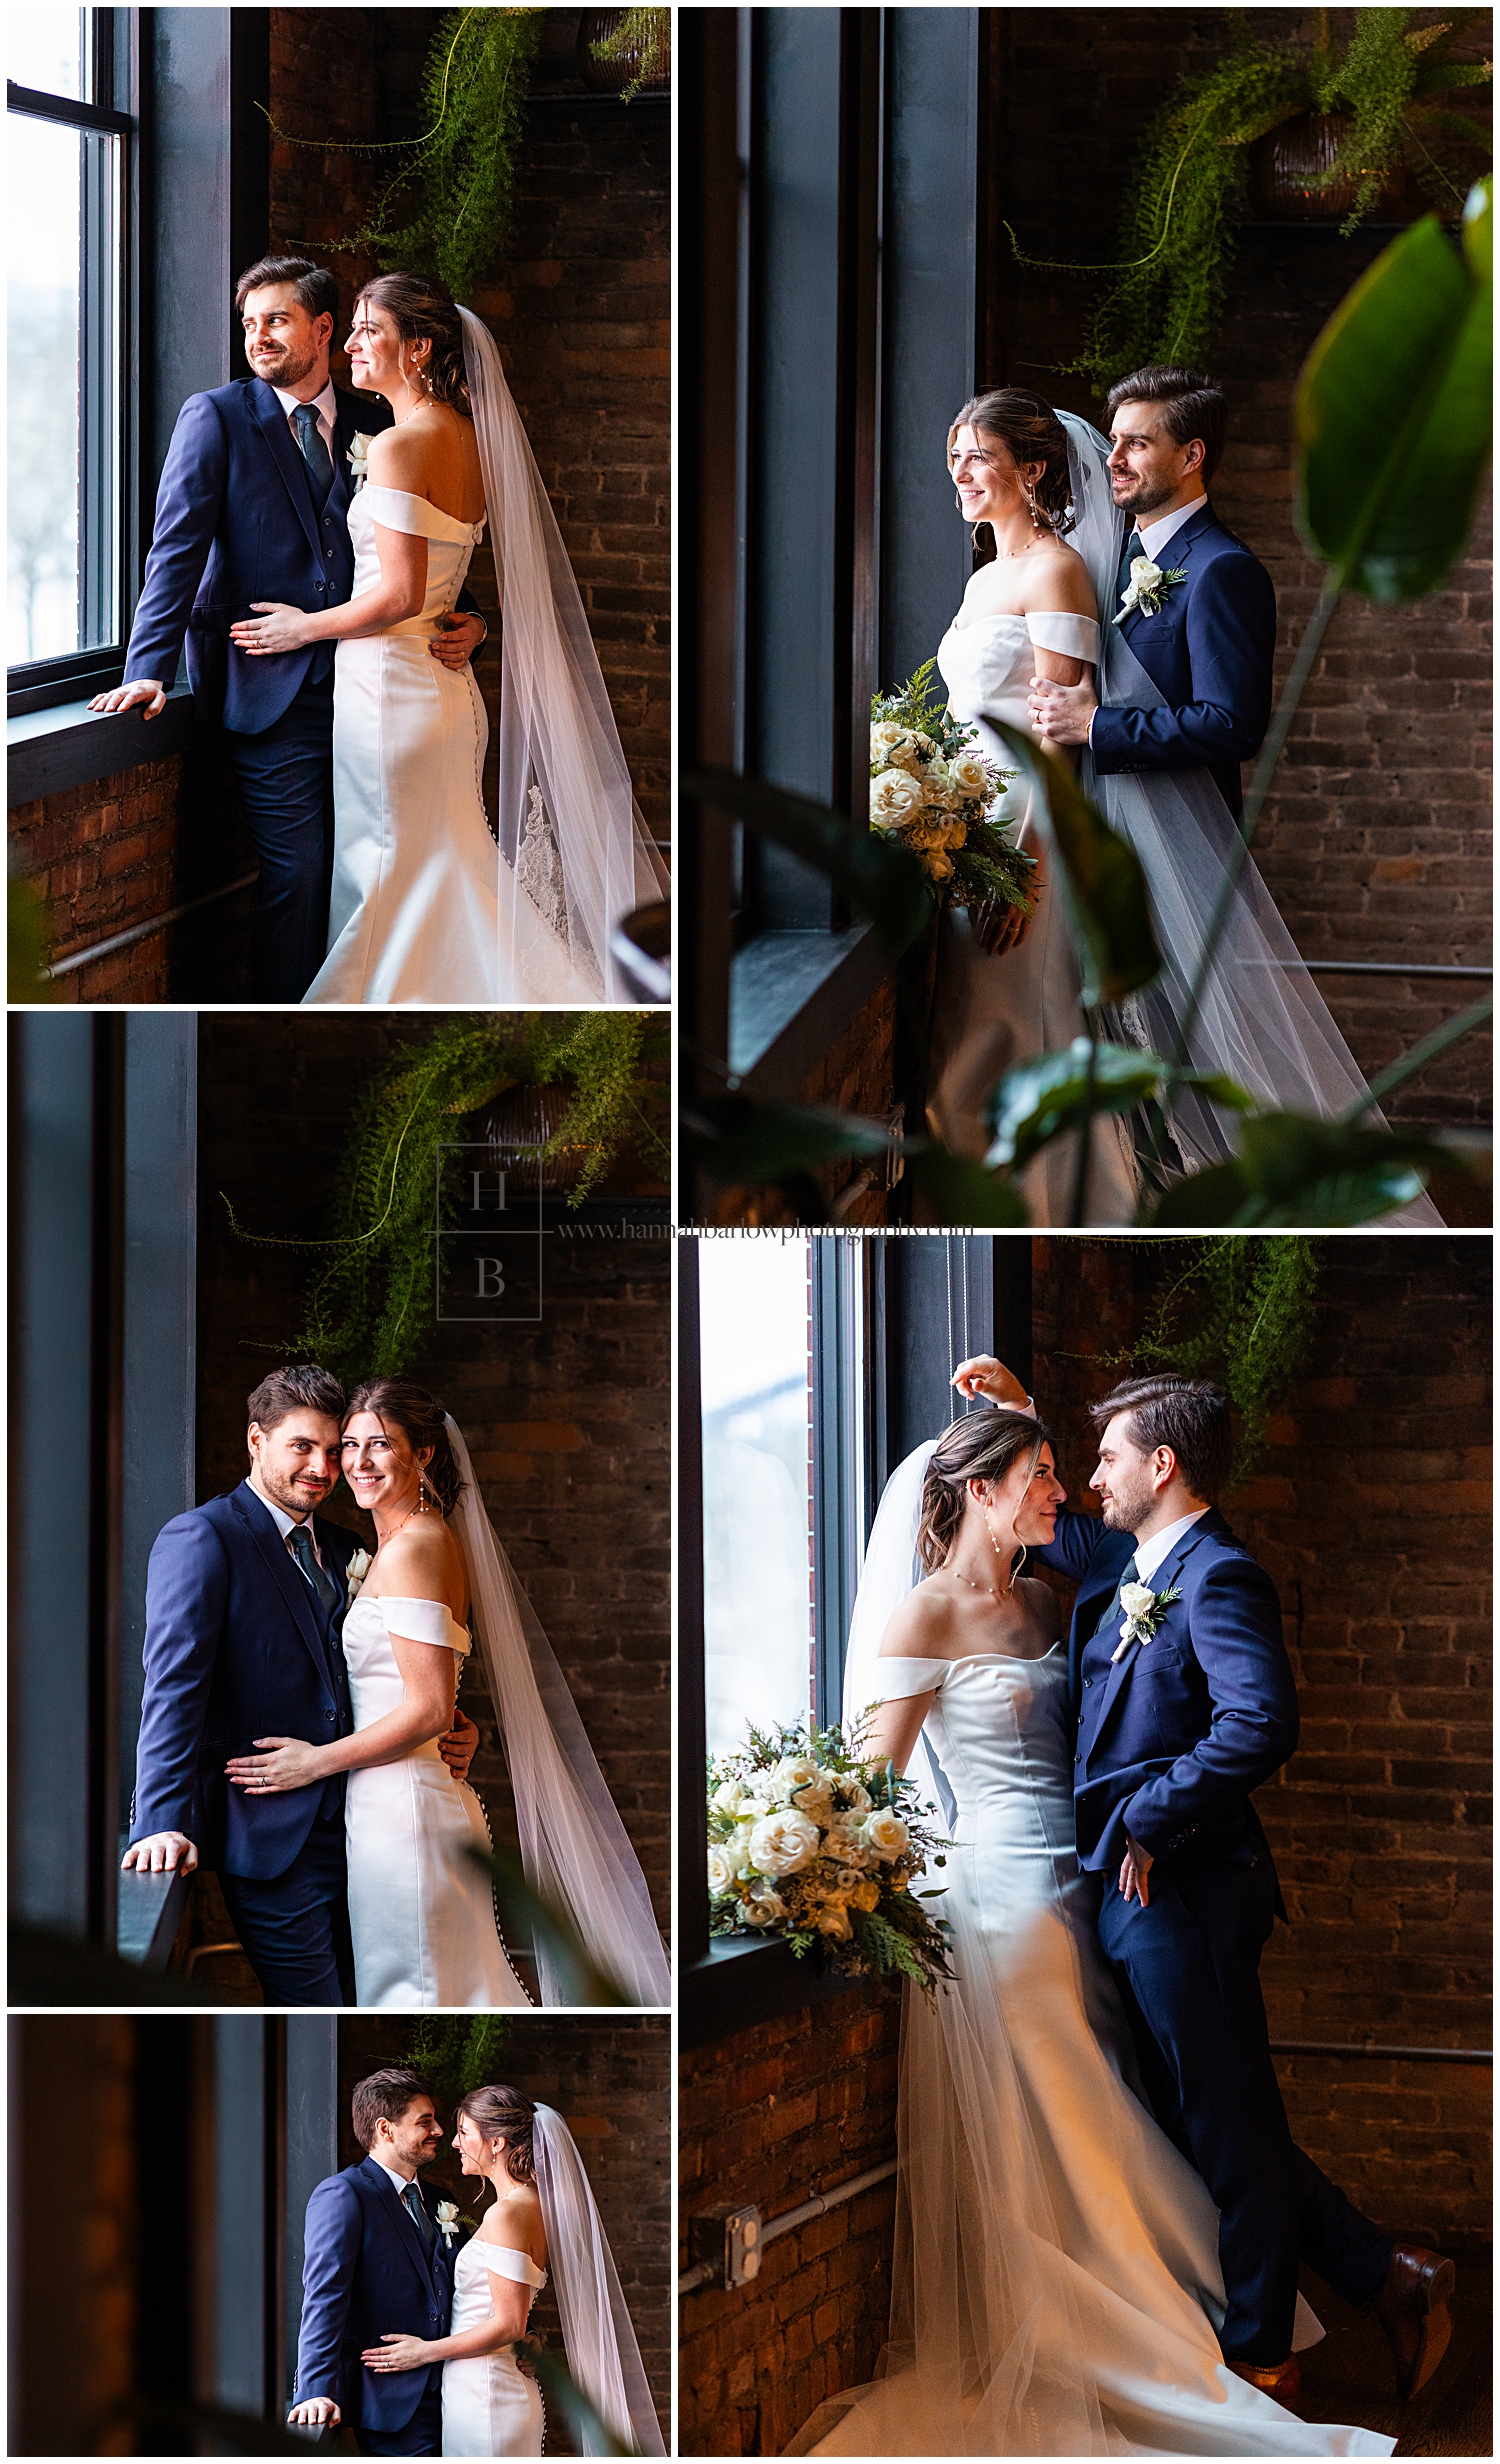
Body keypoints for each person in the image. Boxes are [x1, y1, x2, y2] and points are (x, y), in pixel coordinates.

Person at [794, 1368, 1448, 2455]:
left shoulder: (1111, 1585)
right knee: (1169, 2116)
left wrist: (1146, 1817)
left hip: (1137, 1880)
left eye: (1089, 1464)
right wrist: (806, 1862)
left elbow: (1252, 1720)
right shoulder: (1055, 1581)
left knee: (1201, 2115)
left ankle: (1272, 2335)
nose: (1075, 1487)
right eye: (1048, 1472)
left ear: (1161, 1466)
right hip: (1019, 1896)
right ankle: (1305, 2301)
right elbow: (873, 1775)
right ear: (984, 1491)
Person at [929, 374, 1441, 1225]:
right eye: (1114, 440)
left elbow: (1232, 724)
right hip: (1069, 819)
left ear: (1191, 454)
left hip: (1154, 835)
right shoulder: (1116, 555)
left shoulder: (1224, 569)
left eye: (1136, 441)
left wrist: (1101, 728)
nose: (1114, 455)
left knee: (1200, 1043)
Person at [229, 271, 670, 1005]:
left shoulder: (403, 446)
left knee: (392, 873)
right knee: (436, 866)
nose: (354, 346)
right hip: (443, 690)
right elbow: (441, 574)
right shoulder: (470, 439)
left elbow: (401, 595)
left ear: (421, 347)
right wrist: (480, 620)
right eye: (357, 328)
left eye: (372, 331)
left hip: (393, 695)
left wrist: (300, 627)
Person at [87, 258, 487, 1001]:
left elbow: (431, 545)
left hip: (378, 687)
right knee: (300, 871)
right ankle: (296, 1008)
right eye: (248, 324)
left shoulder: (380, 416)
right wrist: (146, 666)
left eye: (275, 320)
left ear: (323, 328)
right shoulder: (215, 416)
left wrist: (474, 619)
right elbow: (174, 549)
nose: (258, 337)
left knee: (371, 865)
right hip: (274, 690)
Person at [226, 1380, 672, 2011]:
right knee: (437, 1982)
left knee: (417, 1989)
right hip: (393, 1801)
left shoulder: (415, 1547)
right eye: (349, 1444)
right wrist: (460, 1727)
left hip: (403, 1810)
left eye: (380, 1445)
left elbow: (429, 1707)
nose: (357, 1462)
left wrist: (314, 1760)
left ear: (424, 1454)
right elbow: (424, 1693)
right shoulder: (398, 1542)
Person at [122, 1364, 477, 2007]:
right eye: (301, 1447)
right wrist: (159, 1822)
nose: (322, 1467)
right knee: (321, 2007)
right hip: (272, 1833)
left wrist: (450, 1720)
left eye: (331, 1449)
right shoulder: (204, 1538)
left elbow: (390, 1664)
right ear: (256, 1441)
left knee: (380, 1990)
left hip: (366, 1823)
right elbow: (172, 1689)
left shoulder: (347, 1546)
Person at [360, 2083, 666, 2458]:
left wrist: (424, 2352)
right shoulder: (533, 2205)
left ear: (497, 2143)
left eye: (464, 2133)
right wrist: (530, 2335)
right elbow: (511, 2312)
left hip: (486, 2396)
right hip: (487, 2387)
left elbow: (508, 2324)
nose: (454, 2142)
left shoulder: (506, 2214)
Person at [290, 2068, 465, 2456]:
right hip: (393, 2399)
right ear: (385, 2130)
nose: (439, 2131)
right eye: (425, 2121)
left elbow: (472, 2286)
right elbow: (324, 2296)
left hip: (460, 2390)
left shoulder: (440, 2199)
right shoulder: (343, 2194)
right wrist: (315, 2391)